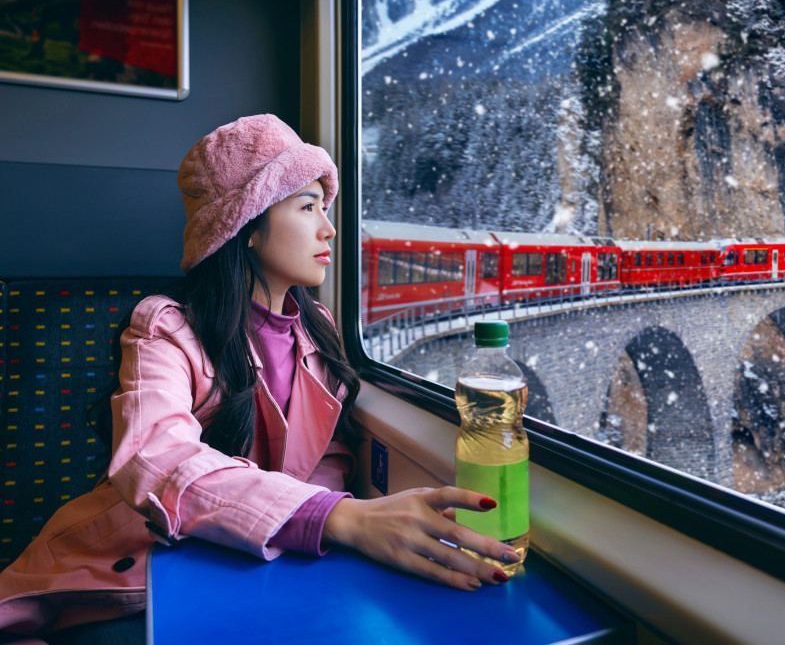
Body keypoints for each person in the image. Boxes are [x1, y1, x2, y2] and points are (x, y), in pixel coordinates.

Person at [0, 115, 519, 643]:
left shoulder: (321, 332)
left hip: (245, 563)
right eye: (307, 206)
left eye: (325, 206)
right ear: (246, 227)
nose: (329, 229)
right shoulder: (163, 328)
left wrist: (327, 521)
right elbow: (156, 460)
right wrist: (336, 520)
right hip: (117, 578)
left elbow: (328, 456)